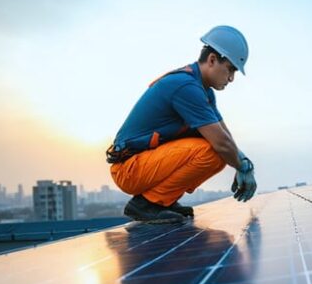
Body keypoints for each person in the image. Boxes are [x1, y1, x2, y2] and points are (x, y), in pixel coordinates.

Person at [106, 25, 257, 223]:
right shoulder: (186, 87)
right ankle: (148, 204)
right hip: (129, 169)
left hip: (144, 164)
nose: (231, 78)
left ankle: (163, 200)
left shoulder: (203, 91)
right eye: (230, 69)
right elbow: (221, 144)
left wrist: (244, 162)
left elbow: (224, 135)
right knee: (214, 152)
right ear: (212, 60)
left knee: (219, 150)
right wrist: (243, 168)